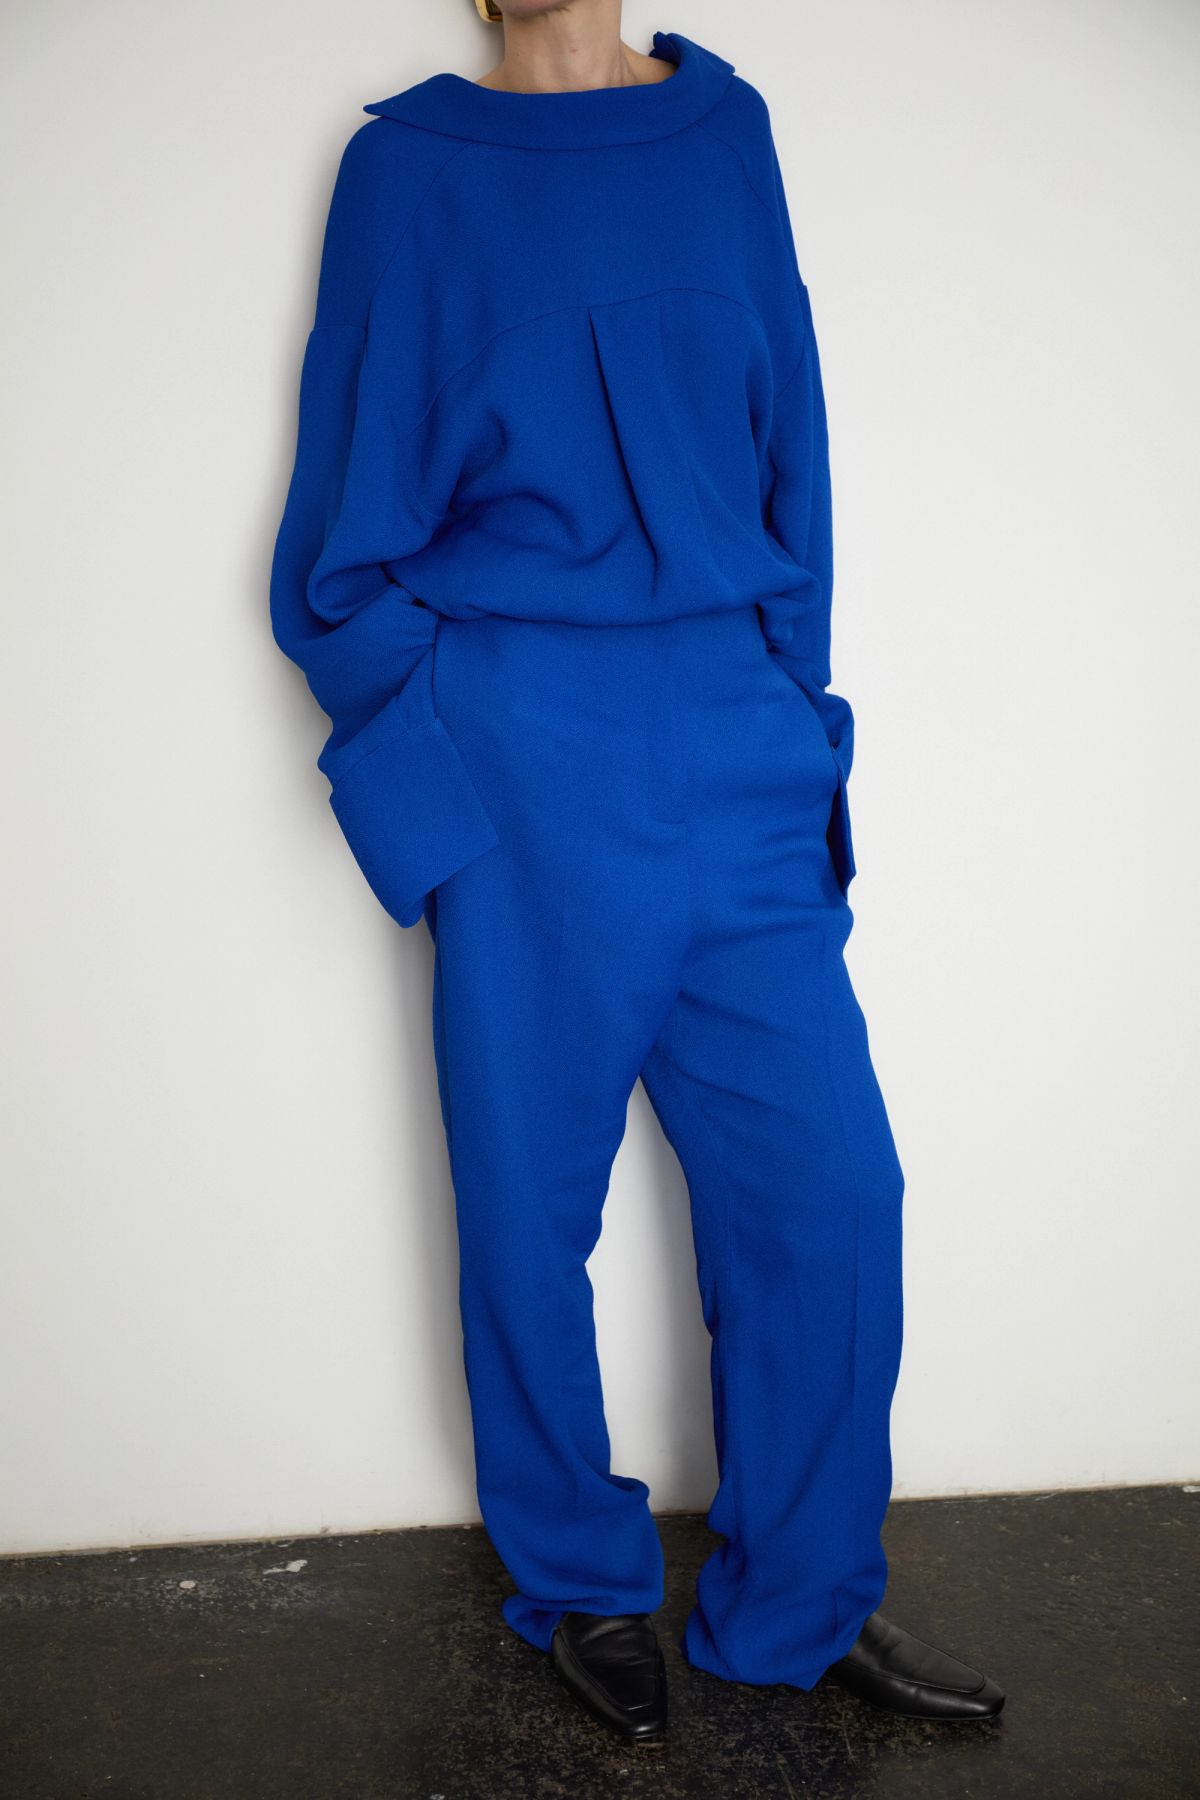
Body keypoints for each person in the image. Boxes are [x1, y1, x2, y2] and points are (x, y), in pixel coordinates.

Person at [269, 2, 1004, 1743]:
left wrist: (799, 725)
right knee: (532, 1204)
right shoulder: (409, 172)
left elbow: (792, 452)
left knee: (830, 1191)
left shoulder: (724, 134)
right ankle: (580, 1579)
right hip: (531, 747)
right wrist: (451, 780)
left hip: (735, 732)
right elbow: (335, 556)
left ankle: (803, 1602)